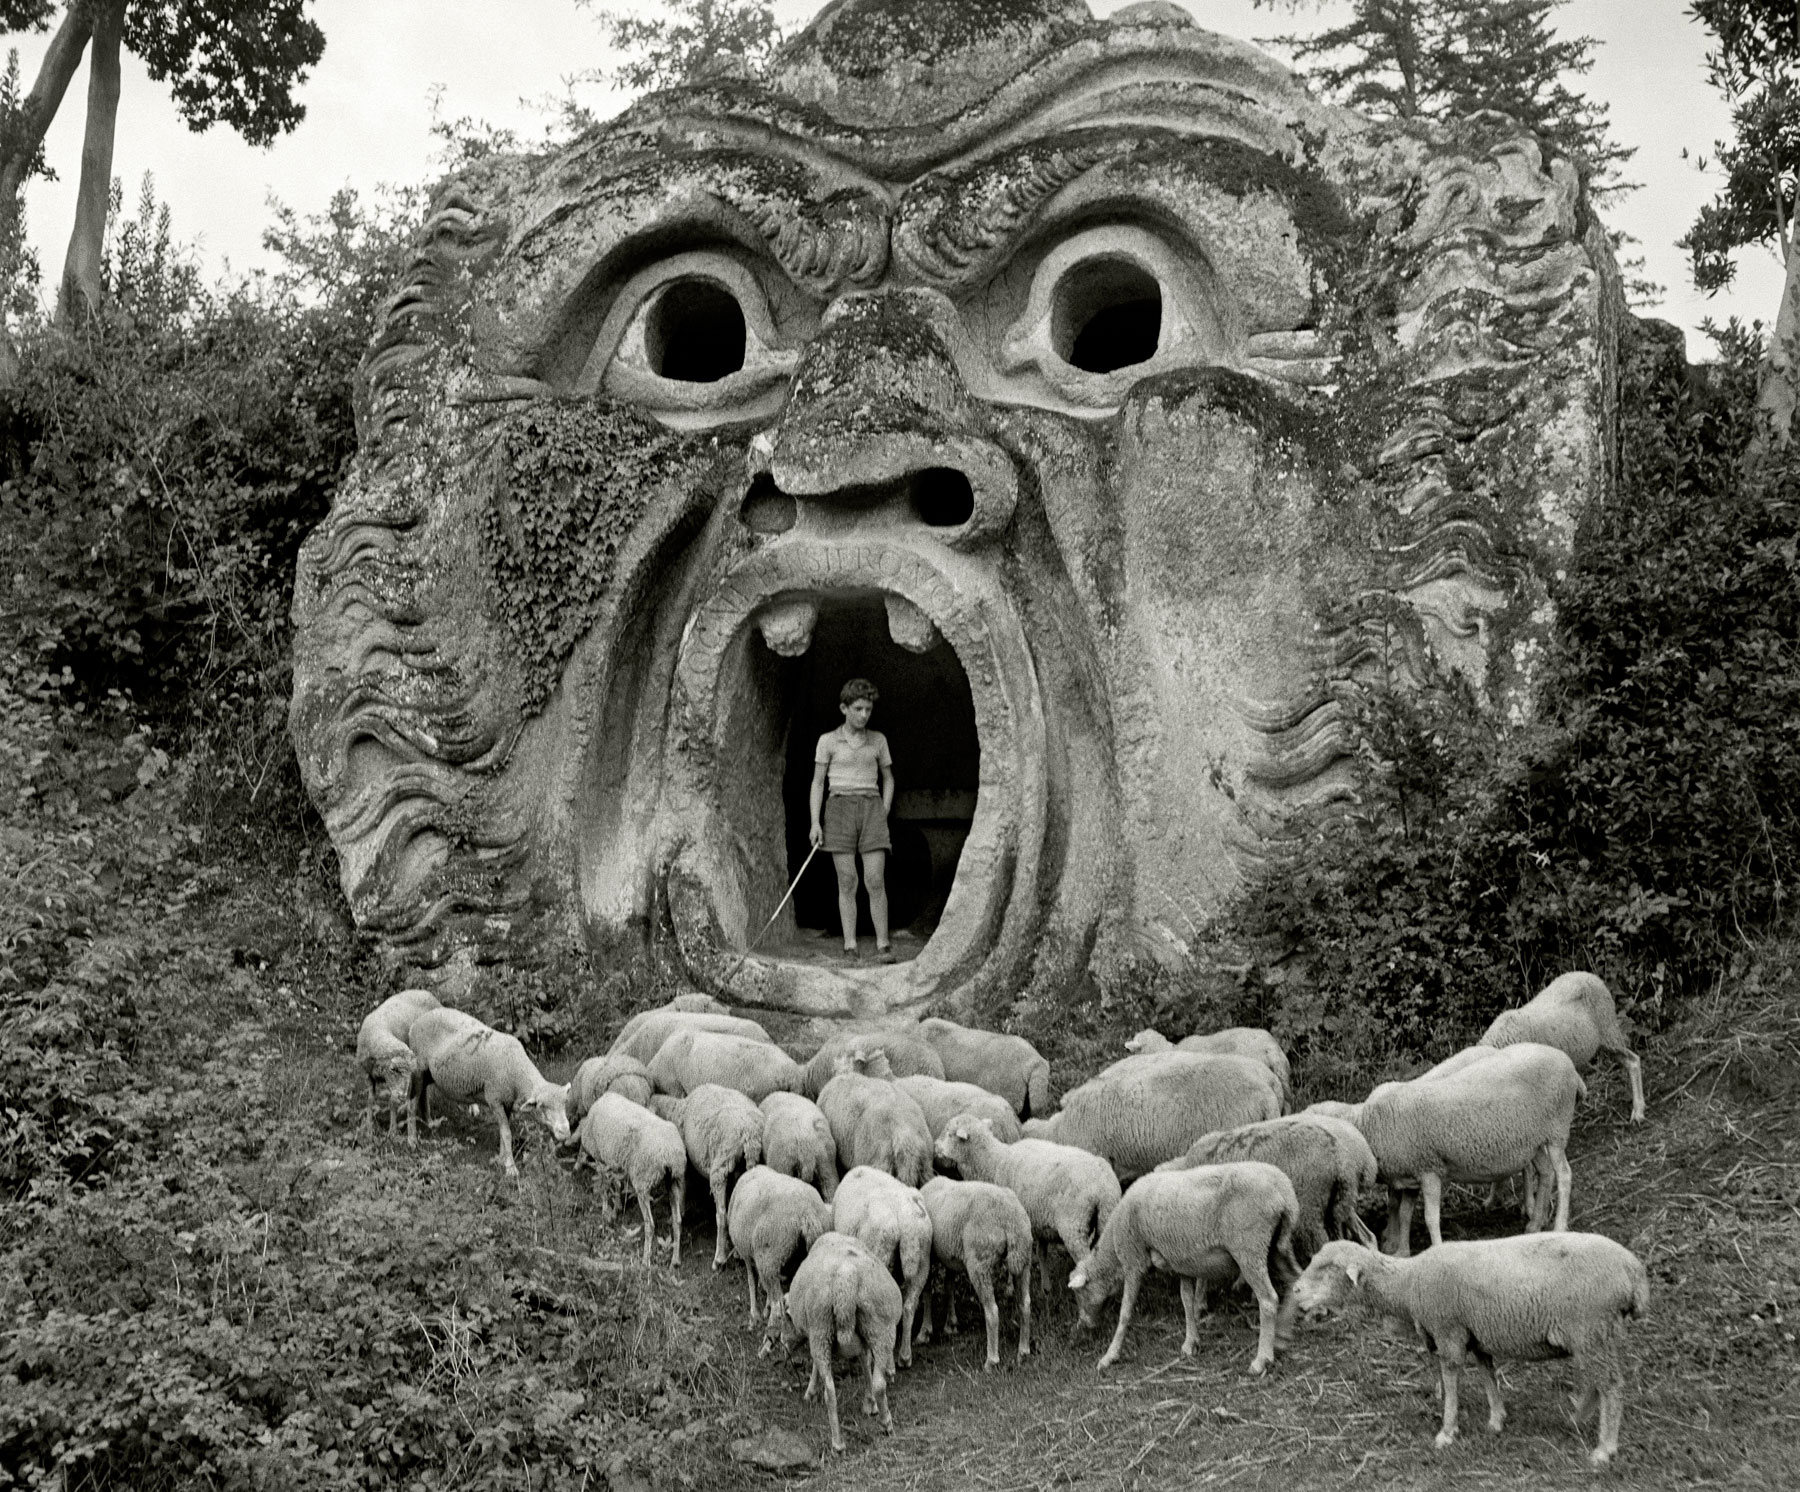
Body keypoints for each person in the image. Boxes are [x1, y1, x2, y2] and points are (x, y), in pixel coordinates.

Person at [809, 677, 896, 961]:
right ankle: (850, 945)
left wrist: (882, 811)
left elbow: (889, 779)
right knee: (847, 880)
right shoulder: (827, 741)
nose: (864, 715)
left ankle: (883, 944)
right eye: (858, 709)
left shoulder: (878, 740)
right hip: (839, 807)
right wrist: (815, 822)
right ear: (844, 708)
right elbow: (818, 782)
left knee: (875, 879)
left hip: (871, 806)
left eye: (868, 709)